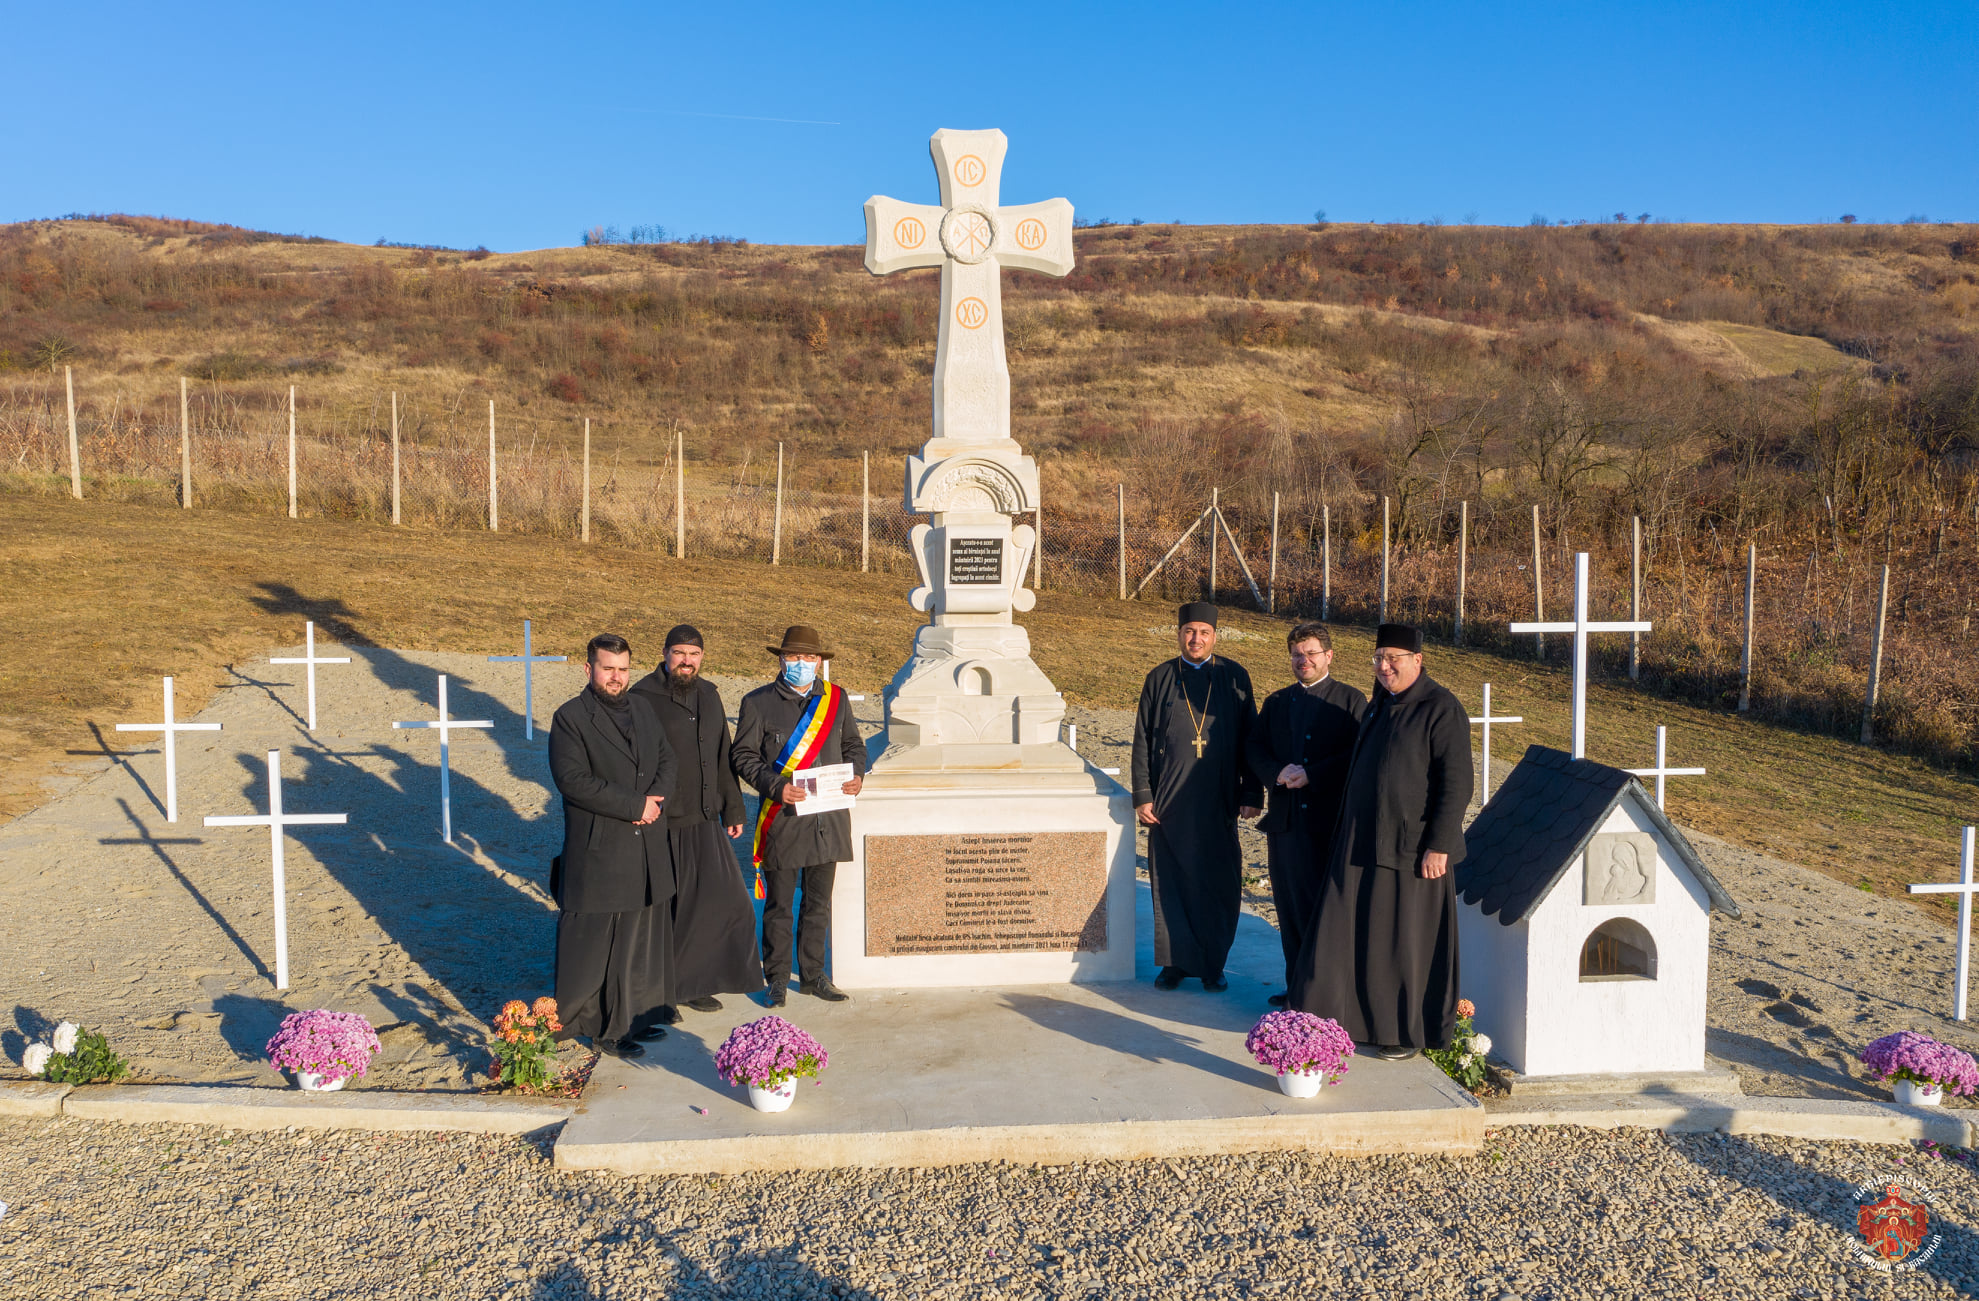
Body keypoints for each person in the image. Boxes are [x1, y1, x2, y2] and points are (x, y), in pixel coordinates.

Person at [1290, 623, 1473, 1059]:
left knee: (1401, 945)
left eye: (1393, 658)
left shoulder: (1441, 709)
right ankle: (1336, 1019)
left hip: (1413, 851)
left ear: (1417, 661)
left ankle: (1402, 1032)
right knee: (1347, 933)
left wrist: (1440, 844)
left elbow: (1457, 782)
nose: (1384, 666)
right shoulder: (1378, 705)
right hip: (1362, 844)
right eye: (1378, 658)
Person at [547, 633, 678, 1059]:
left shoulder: (642, 707)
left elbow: (666, 759)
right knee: (603, 939)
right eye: (608, 668)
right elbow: (573, 781)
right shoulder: (570, 718)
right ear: (589, 670)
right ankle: (601, 1026)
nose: (616, 677)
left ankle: (635, 1016)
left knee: (639, 934)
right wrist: (634, 805)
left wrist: (655, 800)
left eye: (623, 669)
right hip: (604, 844)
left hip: (647, 839)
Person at [629, 625, 764, 1025]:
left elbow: (722, 753)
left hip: (704, 816)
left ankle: (695, 979)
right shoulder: (642, 698)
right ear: (665, 653)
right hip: (663, 820)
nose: (687, 660)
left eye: (694, 654)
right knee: (670, 905)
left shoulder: (709, 694)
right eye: (680, 652)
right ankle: (666, 988)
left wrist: (734, 809)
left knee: (725, 902)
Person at [731, 625, 867, 1006]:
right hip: (784, 819)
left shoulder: (836, 699)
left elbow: (853, 744)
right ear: (781, 659)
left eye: (809, 657)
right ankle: (775, 977)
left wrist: (856, 774)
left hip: (829, 820)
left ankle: (812, 975)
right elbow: (742, 756)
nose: (802, 663)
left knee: (818, 903)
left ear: (820, 662)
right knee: (778, 905)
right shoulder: (757, 702)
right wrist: (775, 787)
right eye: (794, 657)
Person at [1130, 601, 1262, 992]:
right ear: (1179, 634)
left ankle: (1212, 965)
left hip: (1219, 799)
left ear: (1215, 637)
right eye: (1189, 631)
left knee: (1217, 882)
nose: (1196, 639)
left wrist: (1252, 790)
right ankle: (1173, 964)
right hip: (1168, 801)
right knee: (1170, 881)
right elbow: (1142, 740)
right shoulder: (1160, 677)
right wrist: (1142, 794)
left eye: (1204, 632)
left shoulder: (1234, 676)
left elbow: (1250, 738)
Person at [1246, 622, 1366, 1008]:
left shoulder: (1350, 701)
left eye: (1311, 653)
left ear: (1329, 656)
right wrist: (1275, 773)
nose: (1304, 661)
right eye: (1297, 655)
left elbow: (1359, 756)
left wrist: (1312, 774)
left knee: (1325, 909)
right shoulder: (1277, 702)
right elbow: (1255, 748)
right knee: (1290, 907)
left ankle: (1327, 994)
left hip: (1330, 824)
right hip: (1285, 824)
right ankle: (1297, 987)